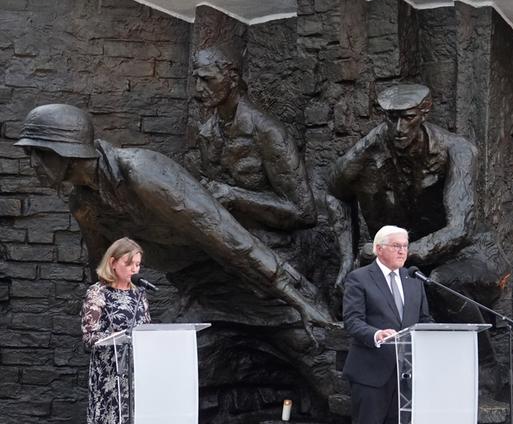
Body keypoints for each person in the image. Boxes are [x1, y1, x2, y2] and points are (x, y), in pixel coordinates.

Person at [14, 103, 330, 328]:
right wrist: (105, 317)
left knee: (309, 342)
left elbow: (230, 239)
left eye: (38, 155)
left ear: (64, 151)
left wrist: (298, 297)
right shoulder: (85, 205)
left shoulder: (141, 172)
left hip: (259, 265)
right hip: (203, 283)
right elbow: (106, 271)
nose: (32, 165)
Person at [329, 83, 500, 330]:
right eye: (391, 118)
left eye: (408, 118)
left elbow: (460, 228)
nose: (399, 129)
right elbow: (336, 193)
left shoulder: (458, 150)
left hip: (467, 254)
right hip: (402, 258)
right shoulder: (367, 150)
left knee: (441, 282)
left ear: (424, 113)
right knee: (353, 290)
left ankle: (486, 363)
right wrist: (346, 260)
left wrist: (398, 253)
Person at [342, 225, 432, 424]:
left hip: (404, 373)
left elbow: (424, 320)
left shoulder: (414, 280)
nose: (402, 251)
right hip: (370, 371)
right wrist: (376, 335)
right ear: (378, 249)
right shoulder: (359, 279)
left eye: (405, 245)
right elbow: (352, 321)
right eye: (396, 246)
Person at [191, 46, 317, 230]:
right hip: (224, 235)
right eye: (196, 79)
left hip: (272, 243)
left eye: (206, 79)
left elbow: (304, 213)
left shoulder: (268, 132)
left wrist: (235, 197)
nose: (198, 89)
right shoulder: (206, 132)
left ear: (232, 79)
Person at [80, 237, 149, 424]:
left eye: (137, 264)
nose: (134, 269)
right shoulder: (98, 294)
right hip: (106, 377)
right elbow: (89, 336)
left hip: (131, 376)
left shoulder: (139, 295)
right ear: (112, 262)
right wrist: (114, 338)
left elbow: (146, 331)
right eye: (129, 263)